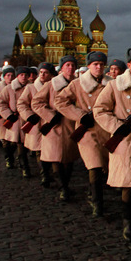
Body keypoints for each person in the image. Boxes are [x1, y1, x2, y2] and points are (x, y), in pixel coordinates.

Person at [94, 47, 131, 246]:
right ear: (129, 65)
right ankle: (128, 222)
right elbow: (100, 110)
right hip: (124, 140)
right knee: (129, 185)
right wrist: (117, 127)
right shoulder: (114, 86)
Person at [55, 51, 111, 217]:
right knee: (94, 165)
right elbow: (60, 101)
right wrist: (79, 115)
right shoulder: (78, 84)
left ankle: (94, 193)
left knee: (104, 167)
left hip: (106, 130)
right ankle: (97, 202)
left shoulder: (111, 84)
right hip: (87, 130)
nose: (99, 67)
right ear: (88, 66)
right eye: (95, 64)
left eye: (101, 64)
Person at [32, 55, 80, 200]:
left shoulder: (78, 84)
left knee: (69, 159)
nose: (70, 68)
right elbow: (37, 103)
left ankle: (65, 184)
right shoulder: (51, 85)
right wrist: (51, 116)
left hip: (72, 125)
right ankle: (63, 187)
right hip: (56, 126)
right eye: (67, 65)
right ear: (61, 68)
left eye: (72, 65)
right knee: (57, 158)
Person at [19, 63, 54, 186]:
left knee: (51, 150)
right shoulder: (31, 88)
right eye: (41, 72)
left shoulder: (55, 87)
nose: (43, 75)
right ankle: (44, 174)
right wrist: (29, 116)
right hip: (36, 122)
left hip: (51, 123)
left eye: (46, 73)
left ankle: (51, 173)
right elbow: (22, 104)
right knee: (40, 150)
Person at [0, 66, 31, 175]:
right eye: (21, 75)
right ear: (18, 76)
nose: (23, 77)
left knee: (24, 146)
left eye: (26, 75)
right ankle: (14, 160)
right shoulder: (9, 88)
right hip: (15, 119)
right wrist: (8, 115)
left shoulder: (31, 87)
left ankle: (24, 166)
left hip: (28, 119)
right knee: (14, 144)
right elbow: (0, 103)